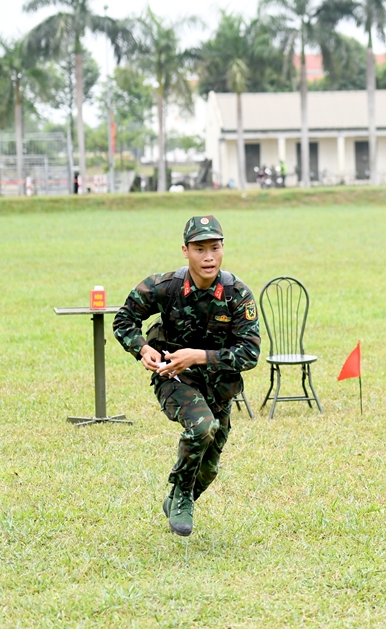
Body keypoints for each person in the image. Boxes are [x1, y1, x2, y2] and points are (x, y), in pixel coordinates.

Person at [113, 215, 261, 537]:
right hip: (175, 379)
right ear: (185, 251)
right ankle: (180, 494)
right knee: (202, 428)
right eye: (199, 249)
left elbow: (250, 354)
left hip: (219, 388)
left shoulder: (238, 295)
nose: (208, 257)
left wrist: (198, 356)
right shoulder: (164, 287)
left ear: (223, 249)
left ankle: (179, 498)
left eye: (215, 248)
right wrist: (142, 349)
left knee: (209, 468)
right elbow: (123, 319)